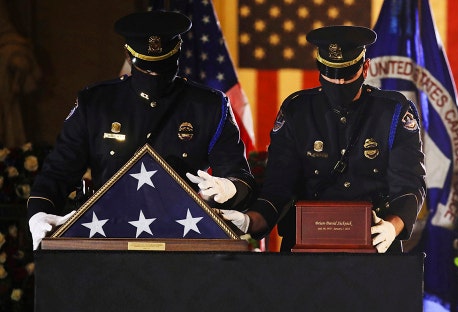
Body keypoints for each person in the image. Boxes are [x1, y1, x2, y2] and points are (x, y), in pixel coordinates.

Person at [27, 11, 256, 249]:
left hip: (182, 241)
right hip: (107, 237)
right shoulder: (96, 103)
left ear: (179, 51)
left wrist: (230, 189)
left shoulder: (208, 106)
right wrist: (39, 214)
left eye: (163, 70)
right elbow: (58, 173)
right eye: (148, 70)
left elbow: (240, 177)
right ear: (127, 54)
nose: (155, 78)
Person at [221, 25, 426, 253]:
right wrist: (251, 221)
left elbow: (409, 183)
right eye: (330, 74)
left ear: (365, 68)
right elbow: (279, 185)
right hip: (305, 247)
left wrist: (392, 227)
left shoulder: (393, 112)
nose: (338, 83)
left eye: (347, 75)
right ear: (319, 69)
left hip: (375, 242)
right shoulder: (297, 110)